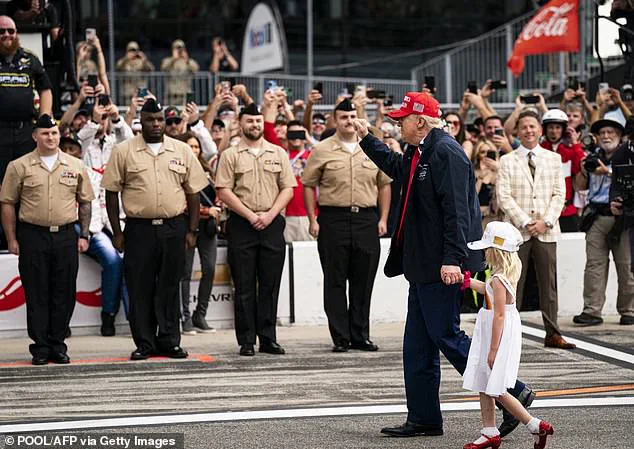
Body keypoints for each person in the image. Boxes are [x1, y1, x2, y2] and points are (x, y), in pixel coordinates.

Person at [354, 92, 534, 439]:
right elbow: (396, 169)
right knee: (418, 346)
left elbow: (458, 212)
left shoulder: (445, 152)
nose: (397, 123)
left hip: (441, 264)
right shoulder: (420, 150)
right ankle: (423, 417)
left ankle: (514, 392)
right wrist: (367, 138)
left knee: (446, 335)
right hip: (423, 264)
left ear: (420, 122)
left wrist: (452, 259)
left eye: (402, 119)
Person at [101, 99, 208, 360]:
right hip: (139, 229)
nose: (157, 124)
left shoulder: (181, 150)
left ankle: (170, 341)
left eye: (160, 119)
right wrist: (116, 232)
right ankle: (145, 343)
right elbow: (111, 193)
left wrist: (192, 230)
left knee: (170, 286)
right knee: (140, 287)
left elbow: (193, 193)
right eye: (151, 119)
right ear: (141, 122)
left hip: (174, 226)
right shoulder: (123, 151)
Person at [0, 115, 94, 365]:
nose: (50, 138)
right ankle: (40, 346)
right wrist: (11, 238)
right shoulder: (18, 166)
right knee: (36, 291)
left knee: (64, 292)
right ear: (35, 136)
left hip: (65, 235)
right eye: (45, 134)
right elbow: (8, 203)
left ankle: (58, 344)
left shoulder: (74, 165)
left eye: (53, 133)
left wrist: (83, 235)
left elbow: (85, 202)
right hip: (33, 235)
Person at [302, 99, 391, 353]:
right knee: (335, 279)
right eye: (344, 117)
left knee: (364, 281)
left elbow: (384, 184)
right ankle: (340, 337)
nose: (349, 121)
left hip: (366, 219)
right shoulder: (321, 149)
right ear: (335, 120)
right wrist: (312, 218)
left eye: (353, 116)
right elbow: (309, 184)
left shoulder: (373, 146)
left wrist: (383, 218)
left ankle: (360, 335)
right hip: (333, 219)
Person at [462, 221, 554, 449]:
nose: (484, 251)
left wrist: (493, 349)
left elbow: (499, 315)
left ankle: (534, 424)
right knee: (484, 381)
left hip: (497, 332)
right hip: (496, 328)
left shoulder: (498, 279)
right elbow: (488, 290)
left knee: (496, 388)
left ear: (495, 251)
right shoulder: (502, 275)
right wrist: (468, 282)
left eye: (486, 248)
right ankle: (489, 430)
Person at [215, 103, 296, 356]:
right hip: (242, 224)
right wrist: (251, 216)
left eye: (259, 121)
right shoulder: (230, 155)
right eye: (250, 121)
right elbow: (223, 190)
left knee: (270, 285)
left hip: (272, 224)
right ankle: (247, 340)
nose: (255, 125)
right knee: (244, 285)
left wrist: (270, 214)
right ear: (241, 123)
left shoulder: (278, 152)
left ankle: (268, 338)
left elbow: (288, 188)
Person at [496, 110, 575, 349]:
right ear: (517, 132)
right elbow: (503, 196)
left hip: (547, 229)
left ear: (540, 130)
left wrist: (545, 221)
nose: (529, 131)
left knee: (548, 283)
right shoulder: (507, 160)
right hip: (517, 232)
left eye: (533, 126)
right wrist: (524, 222)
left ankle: (552, 333)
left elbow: (559, 194)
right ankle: (508, 334)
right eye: (524, 127)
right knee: (513, 284)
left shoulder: (553, 158)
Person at [573, 118, 634, 326]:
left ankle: (629, 310)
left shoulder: (627, 156)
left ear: (620, 136)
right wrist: (584, 169)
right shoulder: (592, 158)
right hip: (597, 216)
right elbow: (579, 187)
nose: (606, 136)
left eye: (611, 132)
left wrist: (607, 172)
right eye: (602, 133)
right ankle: (592, 310)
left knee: (626, 265)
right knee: (594, 266)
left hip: (624, 218)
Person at [0, 15, 52, 183]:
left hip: (26, 131)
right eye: (1, 31)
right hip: (1, 131)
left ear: (17, 33)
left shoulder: (30, 59)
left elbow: (45, 89)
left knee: (27, 182)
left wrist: (44, 118)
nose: (7, 34)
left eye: (11, 31)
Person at [178, 132, 220, 335]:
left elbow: (219, 194)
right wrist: (205, 211)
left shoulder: (208, 170)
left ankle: (200, 315)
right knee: (184, 272)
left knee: (210, 269)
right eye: (190, 146)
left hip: (208, 228)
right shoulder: (178, 170)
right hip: (187, 225)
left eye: (196, 147)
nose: (194, 150)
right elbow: (182, 203)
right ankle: (185, 317)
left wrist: (218, 207)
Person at [540, 109, 586, 232]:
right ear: (545, 129)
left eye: (558, 127)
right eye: (550, 127)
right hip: (544, 209)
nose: (554, 131)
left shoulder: (570, 150)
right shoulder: (539, 150)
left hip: (567, 209)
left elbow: (582, 167)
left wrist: (575, 143)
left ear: (563, 130)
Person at [161, 39, 199, 107]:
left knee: (185, 113)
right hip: (171, 93)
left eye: (181, 48)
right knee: (171, 113)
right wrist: (173, 59)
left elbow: (196, 69)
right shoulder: (168, 60)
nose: (179, 50)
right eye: (177, 48)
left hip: (185, 93)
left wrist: (187, 60)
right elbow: (163, 68)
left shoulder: (187, 61)